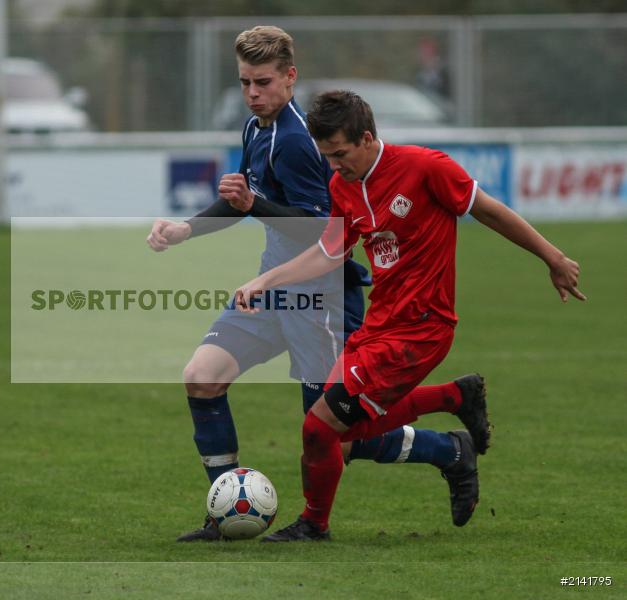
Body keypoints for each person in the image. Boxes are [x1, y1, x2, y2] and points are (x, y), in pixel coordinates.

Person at [148, 27, 486, 542]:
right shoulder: (255, 128)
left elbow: (321, 233)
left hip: (319, 298)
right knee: (202, 377)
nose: (253, 92)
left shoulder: (307, 144)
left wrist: (253, 208)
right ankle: (224, 513)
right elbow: (247, 197)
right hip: (271, 291)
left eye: (262, 82)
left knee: (335, 435)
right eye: (244, 82)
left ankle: (449, 449)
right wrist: (187, 229)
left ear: (290, 78)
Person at [233, 89, 585, 542]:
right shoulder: (343, 186)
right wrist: (266, 281)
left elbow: (490, 212)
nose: (335, 165)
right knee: (339, 433)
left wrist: (552, 257)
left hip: (421, 328)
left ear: (366, 138)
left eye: (340, 153)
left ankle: (314, 524)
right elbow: (329, 252)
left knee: (320, 427)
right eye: (327, 156)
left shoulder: (425, 167)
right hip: (378, 325)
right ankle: (454, 406)